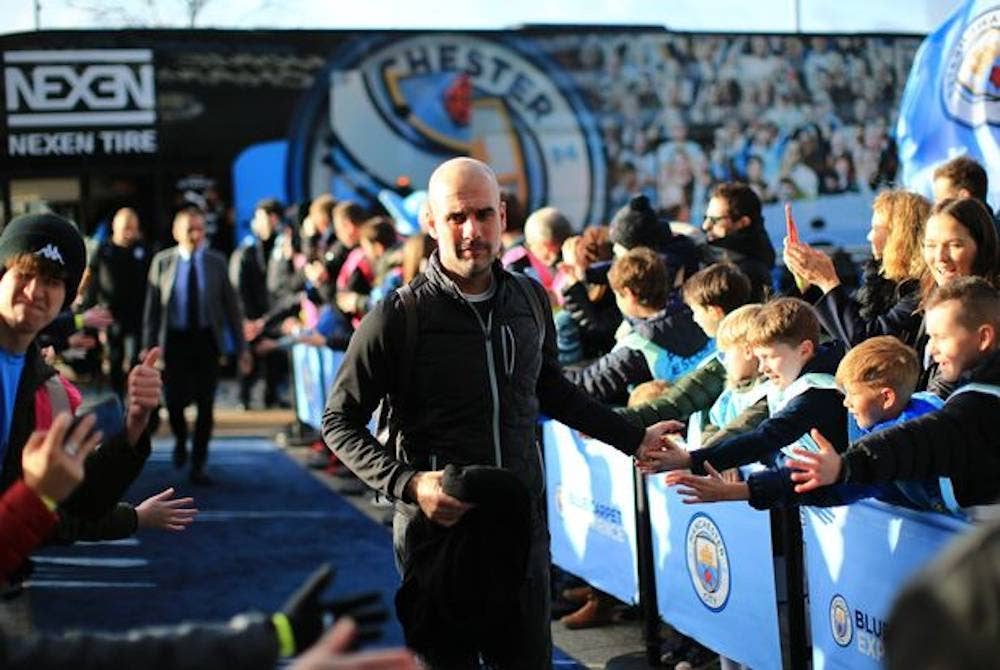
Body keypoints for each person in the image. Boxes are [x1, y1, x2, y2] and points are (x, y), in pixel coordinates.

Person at [322, 157, 675, 669]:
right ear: (430, 223)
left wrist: (633, 437)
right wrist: (410, 485)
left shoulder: (530, 298)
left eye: (484, 215)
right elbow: (339, 420)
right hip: (438, 539)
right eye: (456, 218)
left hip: (521, 534)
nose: (472, 232)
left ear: (503, 215)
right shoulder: (399, 316)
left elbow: (552, 390)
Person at [0, 213, 162, 553]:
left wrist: (134, 426)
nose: (35, 291)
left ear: (67, 296)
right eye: (25, 274)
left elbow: (75, 505)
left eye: (52, 281)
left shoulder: (50, 389)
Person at [788, 277, 1000, 513]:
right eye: (930, 337)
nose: (932, 349)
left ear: (984, 337)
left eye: (941, 337)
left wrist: (845, 466)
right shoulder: (972, 391)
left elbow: (921, 440)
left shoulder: (981, 402)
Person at [640, 297, 846, 478]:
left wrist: (690, 460)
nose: (763, 368)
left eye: (768, 357)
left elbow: (765, 437)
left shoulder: (818, 393)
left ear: (805, 350)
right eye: (759, 358)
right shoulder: (789, 382)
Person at [144, 207, 251, 485]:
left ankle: (199, 462)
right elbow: (152, 309)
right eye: (190, 229)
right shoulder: (162, 262)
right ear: (176, 232)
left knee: (206, 404)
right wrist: (148, 346)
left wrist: (242, 349)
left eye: (200, 229)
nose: (196, 235)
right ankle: (180, 439)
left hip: (206, 342)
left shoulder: (216, 262)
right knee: (174, 402)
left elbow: (231, 309)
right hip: (175, 342)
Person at [783, 190, 930, 349]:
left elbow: (866, 341)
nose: (870, 237)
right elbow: (843, 327)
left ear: (902, 236)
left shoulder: (920, 289)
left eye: (877, 228)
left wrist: (829, 282)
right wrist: (808, 282)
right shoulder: (880, 281)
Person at [617, 261, 753, 427]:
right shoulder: (740, 347)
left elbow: (673, 404)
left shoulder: (728, 360)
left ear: (714, 311)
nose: (694, 319)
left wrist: (602, 420)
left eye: (696, 311)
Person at [79, 207, 150, 398]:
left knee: (136, 356)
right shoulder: (104, 249)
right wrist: (79, 296)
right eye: (126, 227)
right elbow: (89, 274)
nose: (130, 232)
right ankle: (118, 396)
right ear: (115, 227)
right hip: (111, 315)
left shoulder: (142, 249)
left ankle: (135, 395)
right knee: (115, 357)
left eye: (133, 227)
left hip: (137, 314)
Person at [231, 198, 287, 409]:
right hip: (251, 313)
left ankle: (271, 395)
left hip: (274, 313)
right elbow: (239, 286)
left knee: (274, 357)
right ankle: (244, 397)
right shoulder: (247, 250)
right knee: (249, 356)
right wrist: (245, 317)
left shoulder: (283, 246)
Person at [700, 182, 775, 301]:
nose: (705, 226)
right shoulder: (708, 252)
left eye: (715, 220)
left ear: (743, 222)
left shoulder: (752, 272)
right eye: (705, 218)